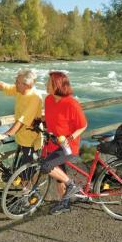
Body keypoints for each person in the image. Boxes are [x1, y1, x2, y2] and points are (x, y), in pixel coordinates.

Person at [41, 71, 87, 215]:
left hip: (68, 146)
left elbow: (83, 125)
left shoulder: (72, 104)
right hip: (53, 143)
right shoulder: (48, 99)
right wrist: (40, 121)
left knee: (46, 166)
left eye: (48, 83)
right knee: (58, 174)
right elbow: (51, 118)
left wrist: (70, 138)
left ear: (57, 85)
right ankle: (64, 203)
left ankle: (72, 185)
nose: (46, 84)